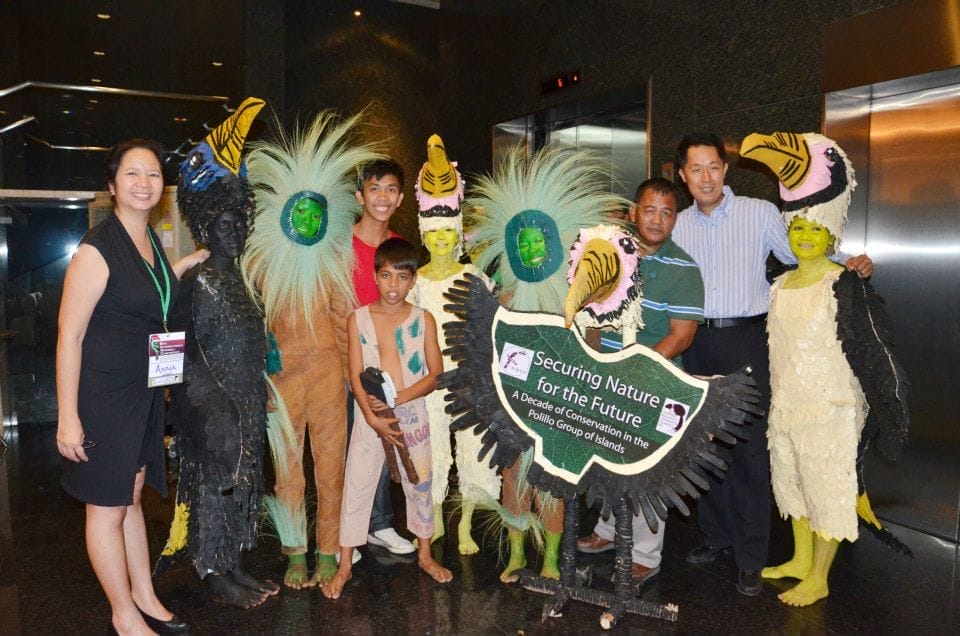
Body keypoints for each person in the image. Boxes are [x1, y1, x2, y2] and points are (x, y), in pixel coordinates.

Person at [670, 132, 873, 596]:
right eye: (696, 169)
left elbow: (803, 251)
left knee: (748, 451)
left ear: (726, 169)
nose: (706, 177)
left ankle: (750, 554)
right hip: (694, 342)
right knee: (706, 447)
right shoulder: (676, 225)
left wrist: (850, 263)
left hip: (746, 340)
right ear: (683, 175)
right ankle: (716, 537)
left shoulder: (758, 213)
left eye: (714, 167)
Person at [56, 139, 206, 635]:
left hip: (141, 393)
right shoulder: (97, 248)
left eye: (153, 175)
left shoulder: (151, 244)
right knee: (107, 505)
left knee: (134, 494)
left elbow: (153, 302)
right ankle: (122, 614)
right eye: (132, 174)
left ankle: (143, 592)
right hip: (102, 396)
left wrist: (184, 267)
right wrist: (68, 417)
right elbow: (69, 335)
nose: (144, 183)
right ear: (112, 184)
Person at [239, 111, 380, 589]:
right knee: (287, 472)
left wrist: (355, 380)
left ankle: (327, 550)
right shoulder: (261, 264)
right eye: (300, 211)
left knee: (331, 468)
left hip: (328, 379)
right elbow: (250, 325)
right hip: (280, 384)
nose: (308, 219)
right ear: (284, 213)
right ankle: (294, 549)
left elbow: (348, 325)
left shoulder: (334, 261)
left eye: (315, 212)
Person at [159, 97, 279, 608]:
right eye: (222, 224)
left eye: (238, 222)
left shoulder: (239, 280)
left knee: (241, 488)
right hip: (211, 414)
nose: (232, 230)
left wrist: (260, 393)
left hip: (247, 405)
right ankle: (212, 570)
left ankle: (233, 564)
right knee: (213, 489)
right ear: (205, 228)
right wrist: (208, 410)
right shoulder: (197, 279)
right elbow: (169, 352)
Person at [576, 177, 704, 586]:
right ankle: (608, 532)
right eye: (649, 210)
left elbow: (681, 336)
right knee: (609, 457)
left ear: (675, 219)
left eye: (667, 213)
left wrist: (634, 367)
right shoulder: (612, 252)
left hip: (654, 381)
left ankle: (646, 554)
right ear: (634, 212)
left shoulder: (684, 268)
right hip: (607, 377)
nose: (657, 219)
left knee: (648, 469)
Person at [323, 237, 453, 599]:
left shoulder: (423, 319)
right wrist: (373, 414)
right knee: (357, 484)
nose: (393, 285)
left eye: (402, 277)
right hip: (371, 416)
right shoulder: (358, 319)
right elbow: (355, 374)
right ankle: (345, 564)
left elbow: (435, 374)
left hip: (412, 414)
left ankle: (425, 553)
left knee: (420, 482)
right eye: (386, 276)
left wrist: (401, 399)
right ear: (375, 277)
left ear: (413, 281)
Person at [407, 134, 500, 555]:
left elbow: (491, 327)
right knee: (434, 452)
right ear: (424, 233)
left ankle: (466, 524)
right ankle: (436, 520)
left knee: (473, 453)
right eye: (435, 231)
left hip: (468, 380)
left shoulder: (475, 278)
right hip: (428, 382)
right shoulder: (414, 282)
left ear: (458, 233)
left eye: (449, 230)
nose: (442, 237)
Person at [350, 158, 417, 556]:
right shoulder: (340, 246)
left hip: (384, 368)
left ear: (401, 197)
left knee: (380, 442)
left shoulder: (399, 249)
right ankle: (348, 531)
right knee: (349, 449)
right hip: (344, 360)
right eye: (374, 188)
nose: (382, 197)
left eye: (391, 189)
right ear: (360, 195)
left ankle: (378, 524)